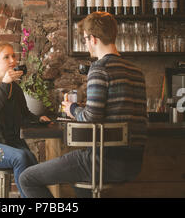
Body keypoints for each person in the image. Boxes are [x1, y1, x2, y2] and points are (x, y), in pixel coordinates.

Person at [19, 11, 147, 198]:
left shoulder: (99, 69)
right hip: (133, 163)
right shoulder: (137, 72)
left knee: (26, 178)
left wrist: (71, 108)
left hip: (103, 162)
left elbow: (91, 117)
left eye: (85, 39)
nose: (86, 44)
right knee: (77, 181)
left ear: (93, 39)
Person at [0, 34, 50, 198]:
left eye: (13, 56)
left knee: (31, 159)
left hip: (10, 144)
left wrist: (39, 119)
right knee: (21, 156)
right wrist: (5, 84)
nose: (13, 60)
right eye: (6, 57)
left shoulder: (16, 88)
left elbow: (25, 115)